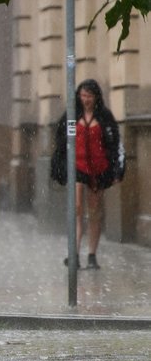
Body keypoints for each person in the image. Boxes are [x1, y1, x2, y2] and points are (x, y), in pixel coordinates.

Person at [50, 79, 125, 269]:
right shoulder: (72, 115)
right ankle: (74, 253)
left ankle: (92, 254)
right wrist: (59, 166)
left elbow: (115, 143)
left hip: (99, 169)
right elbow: (60, 141)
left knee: (94, 212)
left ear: (96, 97)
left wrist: (117, 169)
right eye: (82, 95)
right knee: (76, 209)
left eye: (89, 96)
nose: (86, 100)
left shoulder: (104, 117)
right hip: (78, 167)